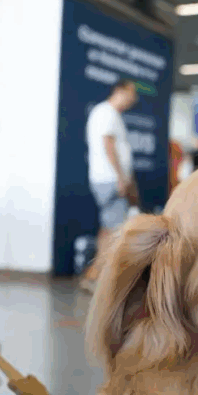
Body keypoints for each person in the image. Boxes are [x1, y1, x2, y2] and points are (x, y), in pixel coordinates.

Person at [81, 79, 140, 292]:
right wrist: (120, 177)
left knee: (108, 229)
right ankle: (94, 277)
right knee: (112, 231)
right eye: (131, 93)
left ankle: (96, 276)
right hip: (109, 179)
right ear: (119, 90)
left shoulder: (110, 114)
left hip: (110, 178)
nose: (134, 99)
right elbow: (108, 146)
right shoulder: (106, 113)